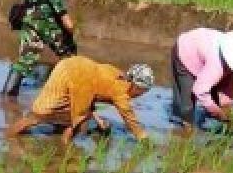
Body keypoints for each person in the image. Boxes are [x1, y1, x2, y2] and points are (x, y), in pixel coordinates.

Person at [8, 56, 153, 144]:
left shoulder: (118, 74)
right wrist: (143, 138)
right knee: (42, 115)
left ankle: (59, 147)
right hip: (74, 76)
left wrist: (97, 118)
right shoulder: (121, 93)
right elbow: (131, 120)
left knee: (64, 118)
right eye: (143, 91)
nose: (142, 94)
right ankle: (65, 149)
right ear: (137, 86)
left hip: (70, 66)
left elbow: (94, 91)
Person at [170, 28, 233, 130]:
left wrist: (227, 110)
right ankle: (185, 127)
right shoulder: (217, 66)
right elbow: (199, 90)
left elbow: (225, 92)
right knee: (188, 101)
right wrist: (217, 112)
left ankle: (204, 116)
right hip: (184, 52)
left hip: (202, 52)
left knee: (214, 97)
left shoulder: (231, 65)